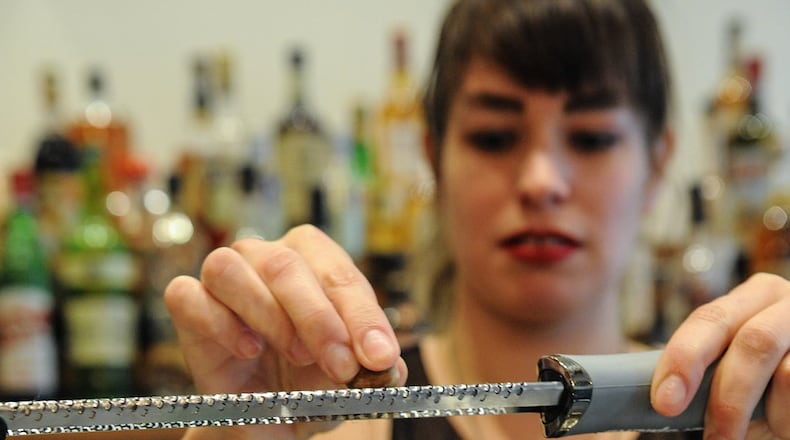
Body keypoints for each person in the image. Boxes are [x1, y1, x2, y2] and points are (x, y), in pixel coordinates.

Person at [164, 0, 790, 439]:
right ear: (435, 158)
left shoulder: (740, 418)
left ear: (656, 165)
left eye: (593, 138)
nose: (541, 182)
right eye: (494, 137)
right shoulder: (335, 422)